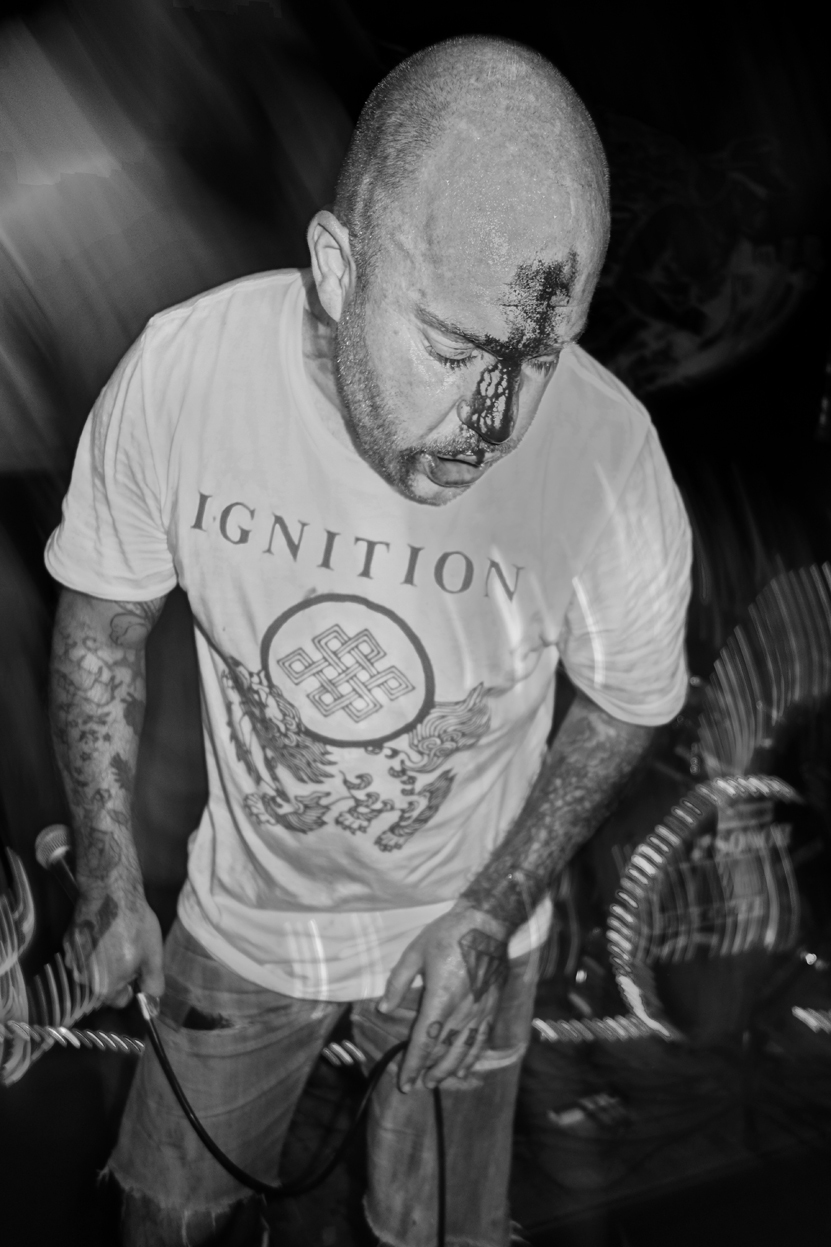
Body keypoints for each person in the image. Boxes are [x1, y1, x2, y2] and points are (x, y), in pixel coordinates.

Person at [45, 35, 691, 1247]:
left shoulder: (607, 454)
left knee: (436, 1228)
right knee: (169, 1216)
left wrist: (492, 908)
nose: (490, 423)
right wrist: (108, 876)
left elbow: (630, 699)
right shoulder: (187, 375)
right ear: (338, 267)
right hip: (245, 920)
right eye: (451, 351)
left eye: (535, 360)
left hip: (466, 928)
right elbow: (105, 615)